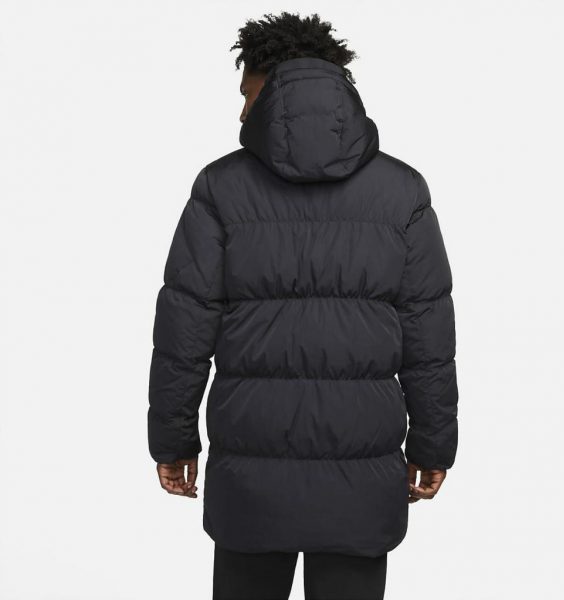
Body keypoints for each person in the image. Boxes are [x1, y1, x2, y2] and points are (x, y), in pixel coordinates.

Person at [147, 11, 459, 600]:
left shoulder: (219, 188)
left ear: (273, 90)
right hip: (361, 475)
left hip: (250, 473)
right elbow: (429, 337)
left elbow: (183, 332)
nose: (242, 112)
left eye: (247, 94)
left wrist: (173, 439)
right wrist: (433, 444)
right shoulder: (403, 192)